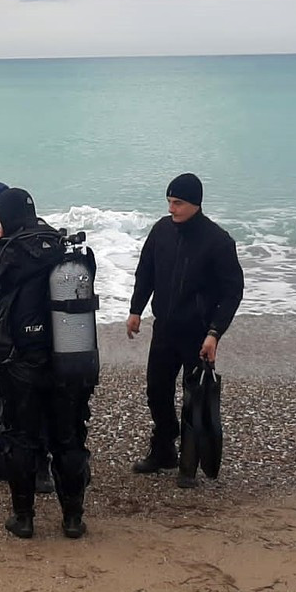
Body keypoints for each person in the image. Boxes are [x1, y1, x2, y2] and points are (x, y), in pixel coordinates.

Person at [0, 188, 92, 539]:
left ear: (3, 218)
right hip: (70, 358)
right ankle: (73, 520)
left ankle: (24, 519)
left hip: (21, 363)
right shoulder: (63, 246)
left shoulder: (6, 251)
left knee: (20, 438)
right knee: (69, 439)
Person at [125, 173, 244, 488]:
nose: (171, 208)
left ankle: (189, 465)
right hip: (164, 327)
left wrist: (215, 333)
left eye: (177, 203)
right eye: (169, 202)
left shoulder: (218, 241)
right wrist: (135, 310)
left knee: (195, 399)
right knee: (156, 391)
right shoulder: (162, 231)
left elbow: (233, 292)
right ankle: (164, 448)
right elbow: (145, 271)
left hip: (198, 334)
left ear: (195, 204)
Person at [0, 182, 54, 494]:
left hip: (31, 338)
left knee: (36, 402)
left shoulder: (37, 240)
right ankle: (0, 455)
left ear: (0, 210)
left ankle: (41, 464)